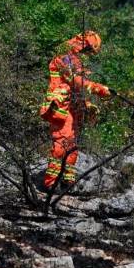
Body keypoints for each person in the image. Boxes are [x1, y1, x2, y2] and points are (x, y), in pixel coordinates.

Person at [39, 30, 112, 191]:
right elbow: (74, 80)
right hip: (61, 106)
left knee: (72, 145)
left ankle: (67, 182)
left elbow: (77, 88)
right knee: (62, 143)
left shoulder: (77, 60)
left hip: (73, 107)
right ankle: (50, 185)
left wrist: (86, 104)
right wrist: (98, 88)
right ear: (83, 45)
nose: (89, 55)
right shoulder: (64, 56)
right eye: (89, 51)